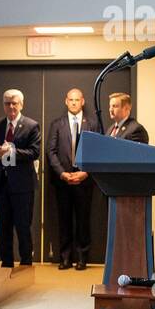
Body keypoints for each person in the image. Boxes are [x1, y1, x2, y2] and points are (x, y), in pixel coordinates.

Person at [0, 89, 41, 267]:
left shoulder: (31, 125)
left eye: (14, 103)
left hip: (23, 186)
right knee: (4, 228)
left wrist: (13, 151)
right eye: (7, 103)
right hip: (2, 185)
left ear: (21, 104)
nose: (11, 106)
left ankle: (25, 265)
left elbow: (34, 152)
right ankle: (6, 265)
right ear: (4, 105)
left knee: (23, 228)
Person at [47, 88, 99, 271]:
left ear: (83, 101)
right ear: (66, 101)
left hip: (84, 181)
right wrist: (62, 173)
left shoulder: (92, 124)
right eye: (71, 99)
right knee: (64, 220)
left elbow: (97, 151)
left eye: (77, 99)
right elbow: (51, 152)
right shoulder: (56, 124)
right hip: (63, 181)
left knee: (83, 221)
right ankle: (65, 258)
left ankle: (82, 258)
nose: (74, 102)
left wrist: (85, 172)